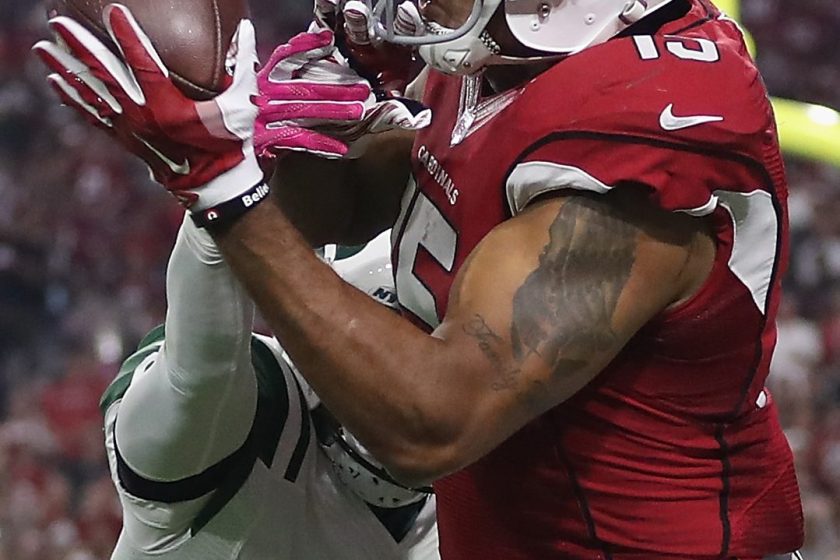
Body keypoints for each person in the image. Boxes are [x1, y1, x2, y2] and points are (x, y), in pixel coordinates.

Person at [34, 0, 804, 557]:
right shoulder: (517, 52)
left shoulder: (645, 129)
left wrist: (221, 182)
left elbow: (433, 423)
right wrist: (268, 134)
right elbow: (350, 206)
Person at [97, 218, 439, 559]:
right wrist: (218, 200)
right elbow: (199, 378)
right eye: (383, 346)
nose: (408, 380)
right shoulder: (257, 412)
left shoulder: (473, 482)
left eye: (435, 349)